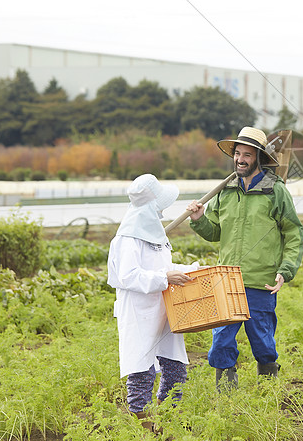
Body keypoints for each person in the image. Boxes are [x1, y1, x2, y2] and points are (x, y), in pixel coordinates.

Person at [186, 126, 303, 390]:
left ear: (259, 158)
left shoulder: (275, 191)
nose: (240, 159)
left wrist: (285, 271)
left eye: (247, 155)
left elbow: (293, 233)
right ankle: (226, 400)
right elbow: (215, 232)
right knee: (221, 341)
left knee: (263, 342)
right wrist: (198, 220)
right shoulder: (225, 191)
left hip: (259, 280)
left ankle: (267, 390)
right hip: (226, 279)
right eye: (237, 153)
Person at [107, 174, 200, 428]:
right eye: (158, 205)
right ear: (150, 206)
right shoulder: (128, 239)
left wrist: (189, 271)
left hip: (164, 309)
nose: (161, 211)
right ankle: (145, 428)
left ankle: (167, 421)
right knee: (141, 371)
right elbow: (128, 276)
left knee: (175, 368)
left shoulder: (156, 237)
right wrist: (164, 277)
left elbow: (163, 268)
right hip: (140, 313)